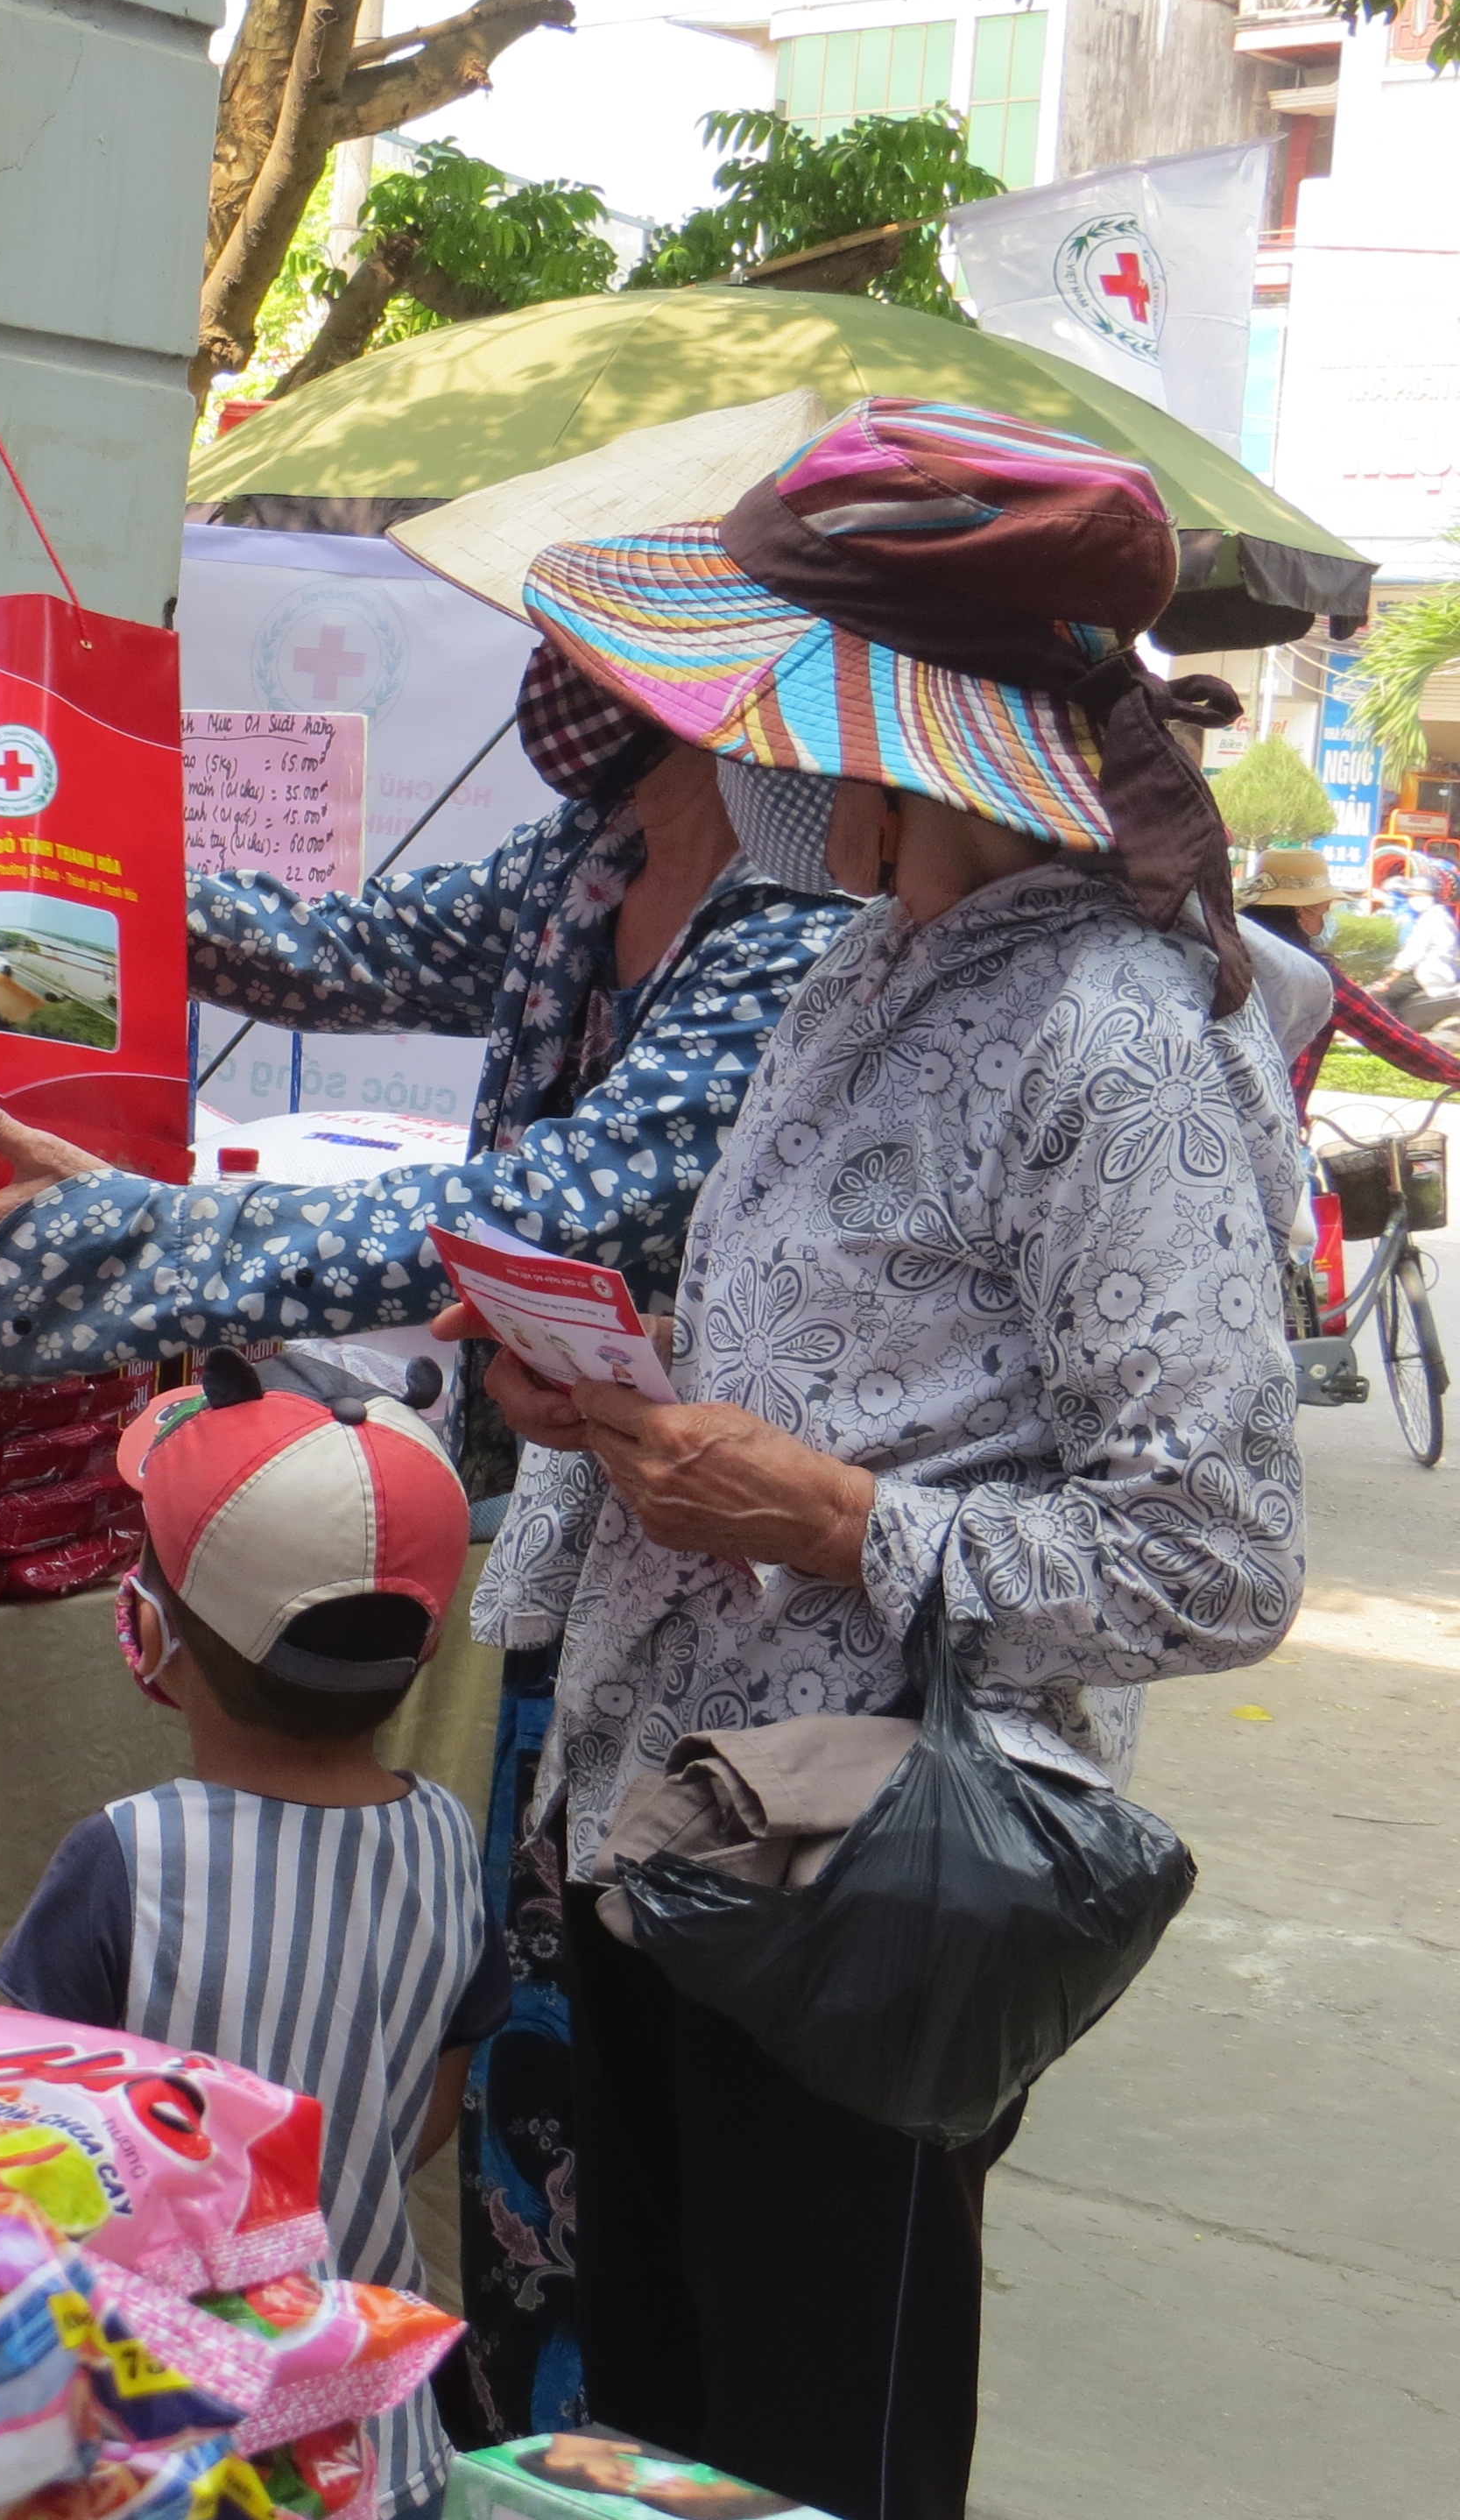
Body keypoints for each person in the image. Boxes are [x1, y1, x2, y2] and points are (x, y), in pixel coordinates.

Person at [450, 400, 1301, 2520]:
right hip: (669, 1826)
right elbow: (806, 1353)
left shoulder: (1116, 1036)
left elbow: (1209, 1553)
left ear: (907, 733)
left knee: (822, 2438)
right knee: (647, 2418)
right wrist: (605, 1404)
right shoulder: (857, 964)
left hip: (874, 1880)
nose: (747, 752)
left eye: (790, 706)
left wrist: (832, 1518)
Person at [0, 644, 855, 2435]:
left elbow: (543, 1204)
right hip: (570, 1530)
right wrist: (21, 852)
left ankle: (598, 2436)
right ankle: (521, 2428)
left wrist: (137, 1239)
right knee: (550, 2101)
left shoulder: (795, 922)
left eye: (609, 647)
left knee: (691, 2152)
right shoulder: (586, 853)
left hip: (759, 1611)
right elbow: (326, 953)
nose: (564, 679)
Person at [0, 1345, 505, 2520]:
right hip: (379, 2434)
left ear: (151, 1632)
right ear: (421, 1648)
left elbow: (27, 2147)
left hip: (163, 2442)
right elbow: (429, 2108)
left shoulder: (126, 1857)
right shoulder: (444, 1837)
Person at [1239, 844, 1460, 1114]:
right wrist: (1455, 1071)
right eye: (1324, 909)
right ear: (1303, 911)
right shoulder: (1317, 978)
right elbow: (1391, 1038)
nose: (1327, 917)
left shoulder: (1221, 954)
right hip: (1273, 1130)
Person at [1366, 851, 1460, 1034]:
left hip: (1432, 973)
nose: (1413, 899)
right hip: (1437, 970)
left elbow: (1413, 953)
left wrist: (1390, 979)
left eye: (1418, 895)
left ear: (1430, 896)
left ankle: (1392, 1036)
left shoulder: (1430, 919)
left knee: (1379, 994)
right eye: (1411, 895)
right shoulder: (1439, 916)